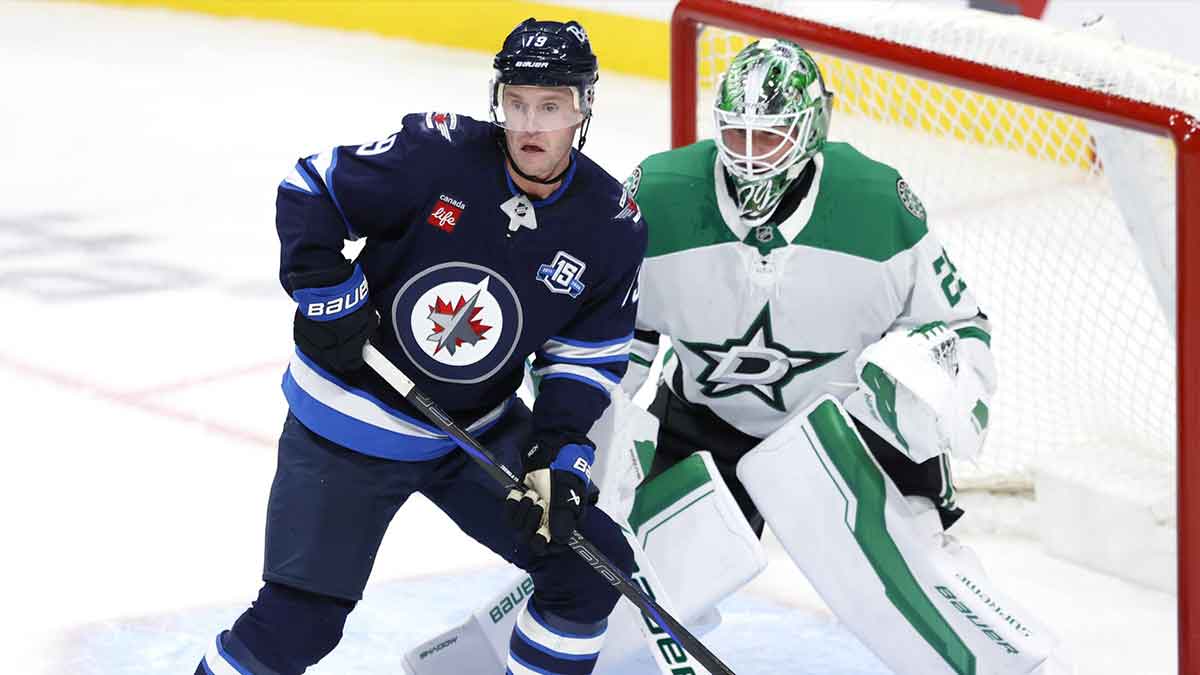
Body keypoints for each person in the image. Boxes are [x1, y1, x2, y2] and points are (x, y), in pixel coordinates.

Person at [407, 39, 1075, 675]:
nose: (750, 156)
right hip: (706, 423)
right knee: (611, 569)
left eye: (770, 136)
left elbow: (959, 326)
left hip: (848, 434)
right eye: (737, 134)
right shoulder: (661, 196)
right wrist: (585, 442)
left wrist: (915, 397)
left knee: (911, 585)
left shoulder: (878, 206)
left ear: (812, 130)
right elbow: (611, 335)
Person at [194, 18, 643, 675]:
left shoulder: (610, 223)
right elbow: (311, 189)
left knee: (589, 566)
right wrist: (328, 296)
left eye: (550, 107)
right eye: (516, 102)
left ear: (583, 109)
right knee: (299, 623)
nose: (528, 126)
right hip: (351, 420)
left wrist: (558, 455)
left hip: (471, 431)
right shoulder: (436, 153)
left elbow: (584, 358)